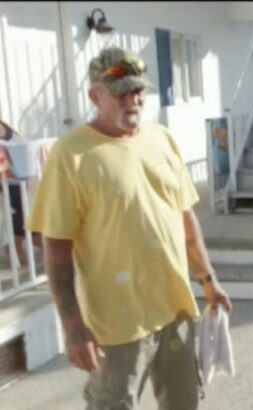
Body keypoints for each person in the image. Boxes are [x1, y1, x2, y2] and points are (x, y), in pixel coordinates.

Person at [27, 47, 232, 410]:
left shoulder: (161, 139)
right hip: (116, 326)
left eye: (138, 91)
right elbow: (56, 248)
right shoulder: (71, 155)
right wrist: (73, 328)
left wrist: (208, 279)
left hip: (175, 310)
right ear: (95, 97)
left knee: (184, 403)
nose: (133, 100)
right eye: (120, 92)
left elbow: (185, 217)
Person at [0, 119, 42, 266]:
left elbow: (22, 145)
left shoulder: (6, 126)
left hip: (17, 176)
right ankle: (21, 241)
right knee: (20, 201)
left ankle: (35, 236)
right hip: (6, 180)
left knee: (33, 198)